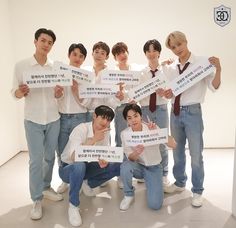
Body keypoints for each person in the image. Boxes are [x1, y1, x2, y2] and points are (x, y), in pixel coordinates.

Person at [163, 31, 221, 207]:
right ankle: (180, 183)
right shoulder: (171, 67)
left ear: (186, 41)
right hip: (175, 112)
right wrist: (166, 93)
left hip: (193, 113)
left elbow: (214, 86)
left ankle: (197, 190)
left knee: (196, 154)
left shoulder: (202, 63)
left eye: (179, 44)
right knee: (177, 151)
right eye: (173, 47)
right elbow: (169, 91)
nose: (177, 49)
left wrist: (218, 68)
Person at [11, 28, 63, 220]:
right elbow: (13, 93)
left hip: (53, 118)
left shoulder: (56, 68)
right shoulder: (22, 66)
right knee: (35, 160)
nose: (46, 45)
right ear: (35, 41)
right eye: (43, 40)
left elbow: (59, 94)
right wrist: (20, 91)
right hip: (32, 119)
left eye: (50, 42)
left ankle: (46, 186)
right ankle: (36, 199)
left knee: (49, 156)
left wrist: (59, 93)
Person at [59, 105, 120, 226]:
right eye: (103, 118)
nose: (105, 122)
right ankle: (73, 205)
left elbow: (103, 153)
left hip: (88, 165)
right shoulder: (81, 129)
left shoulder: (105, 132)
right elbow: (74, 157)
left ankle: (87, 182)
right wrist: (93, 139)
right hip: (68, 168)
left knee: (118, 165)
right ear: (94, 116)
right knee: (79, 165)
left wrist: (104, 161)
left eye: (108, 120)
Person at [119, 104, 176, 211]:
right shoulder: (125, 134)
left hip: (154, 167)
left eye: (135, 116)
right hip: (138, 166)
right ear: (126, 120)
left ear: (141, 116)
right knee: (125, 166)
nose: (133, 120)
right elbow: (130, 158)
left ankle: (154, 183)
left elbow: (173, 145)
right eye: (129, 118)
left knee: (155, 205)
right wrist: (136, 152)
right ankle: (128, 194)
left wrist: (157, 132)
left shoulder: (151, 127)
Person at [56, 43, 89, 194]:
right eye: (74, 54)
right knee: (62, 150)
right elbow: (55, 97)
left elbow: (88, 101)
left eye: (81, 56)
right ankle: (65, 180)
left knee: (79, 150)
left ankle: (81, 180)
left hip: (80, 117)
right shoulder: (59, 72)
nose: (77, 58)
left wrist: (77, 90)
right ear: (69, 55)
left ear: (83, 59)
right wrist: (58, 92)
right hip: (62, 117)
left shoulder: (85, 77)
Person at [139, 39, 170, 188]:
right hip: (145, 110)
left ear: (159, 52)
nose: (151, 54)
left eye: (154, 50)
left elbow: (172, 91)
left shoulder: (167, 70)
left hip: (162, 108)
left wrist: (164, 93)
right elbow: (137, 92)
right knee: (147, 142)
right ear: (145, 53)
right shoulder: (141, 73)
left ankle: (164, 173)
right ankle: (148, 171)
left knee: (162, 142)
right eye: (148, 51)